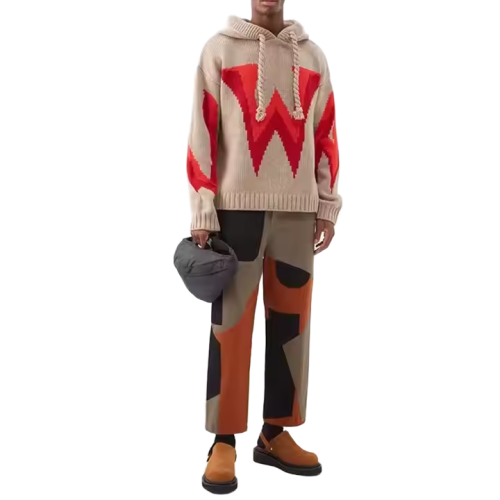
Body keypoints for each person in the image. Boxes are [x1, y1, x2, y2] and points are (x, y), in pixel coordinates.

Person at [186, 0, 341, 493]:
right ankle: (224, 440)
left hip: (297, 214)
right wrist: (203, 210)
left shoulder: (313, 57)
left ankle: (275, 434)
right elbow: (201, 134)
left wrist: (326, 204)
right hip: (236, 213)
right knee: (230, 327)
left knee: (292, 325)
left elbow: (325, 133)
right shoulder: (219, 51)